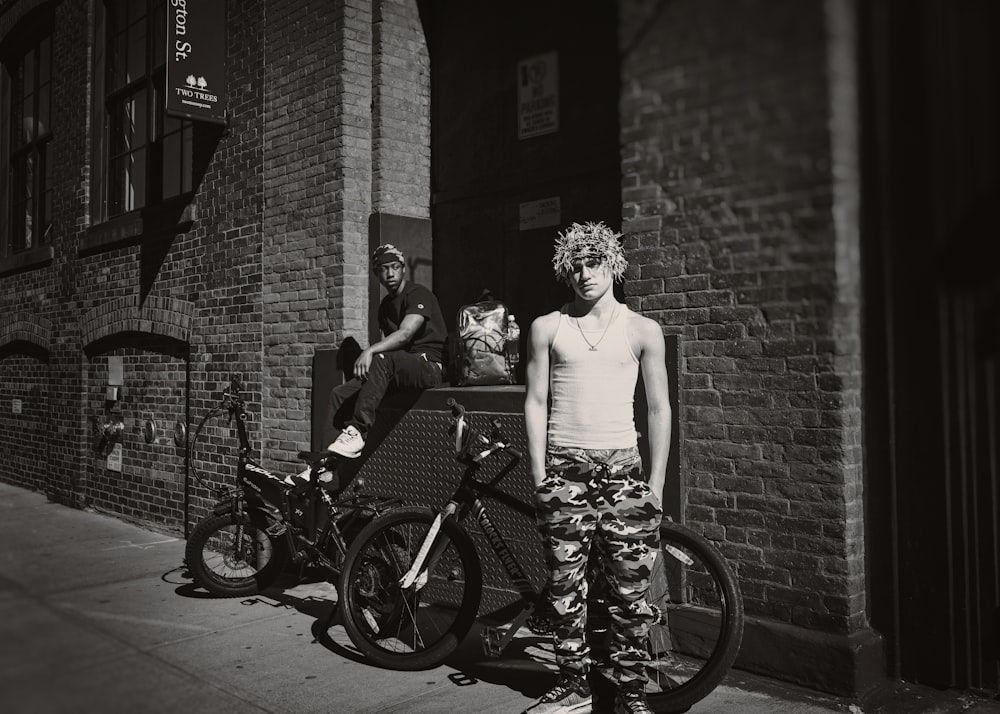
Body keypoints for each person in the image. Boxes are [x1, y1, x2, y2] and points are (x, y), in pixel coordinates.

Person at [522, 221, 671, 714]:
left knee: (631, 594)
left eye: (596, 262)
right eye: (577, 266)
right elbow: (536, 399)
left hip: (624, 472)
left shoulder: (642, 330)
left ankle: (630, 693)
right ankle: (575, 687)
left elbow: (658, 409)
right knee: (566, 588)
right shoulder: (548, 326)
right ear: (566, 272)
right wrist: (541, 474)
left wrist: (656, 483)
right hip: (565, 471)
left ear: (614, 265)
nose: (586, 274)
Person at [325, 243, 447, 458]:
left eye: (394, 267)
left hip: (429, 366)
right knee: (340, 393)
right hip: (399, 368)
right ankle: (325, 464)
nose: (390, 273)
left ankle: (358, 431)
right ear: (377, 274)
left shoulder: (418, 293)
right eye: (383, 269)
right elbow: (389, 347)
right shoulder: (385, 306)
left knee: (382, 357)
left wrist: (370, 351)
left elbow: (405, 334)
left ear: (403, 268)